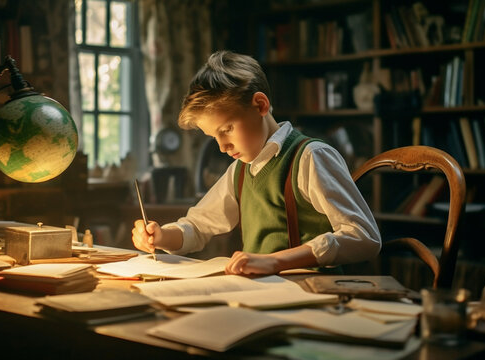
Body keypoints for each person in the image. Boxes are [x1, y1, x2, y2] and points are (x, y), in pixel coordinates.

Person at [132, 50, 380, 275]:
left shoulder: (311, 157)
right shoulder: (239, 171)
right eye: (213, 136)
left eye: (227, 129)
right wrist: (162, 236)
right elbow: (197, 227)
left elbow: (364, 237)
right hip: (260, 295)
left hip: (313, 296)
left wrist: (275, 261)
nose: (221, 146)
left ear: (260, 105)